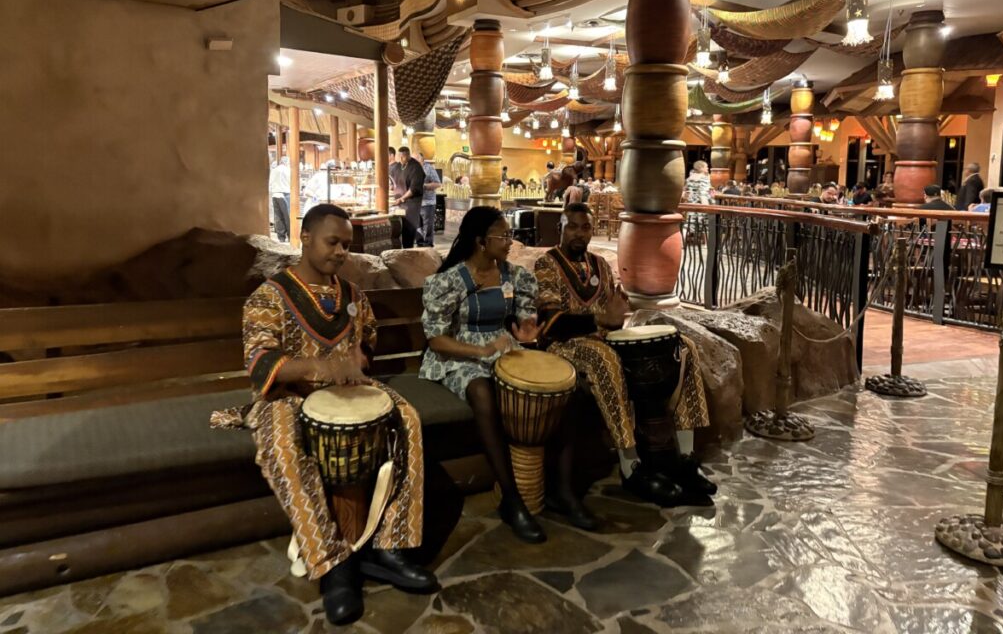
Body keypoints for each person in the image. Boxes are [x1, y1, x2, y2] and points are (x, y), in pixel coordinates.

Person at [212, 204, 435, 625]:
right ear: (307, 238)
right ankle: (332, 564)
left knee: (406, 417)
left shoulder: (353, 296)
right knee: (280, 441)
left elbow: (367, 342)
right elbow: (261, 364)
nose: (340, 252)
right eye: (332, 242)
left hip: (347, 393)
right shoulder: (268, 297)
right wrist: (322, 367)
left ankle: (391, 547)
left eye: (347, 245)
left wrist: (359, 359)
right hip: (286, 396)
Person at [535, 204, 715, 508]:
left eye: (586, 227)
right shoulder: (546, 265)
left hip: (603, 341)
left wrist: (616, 316)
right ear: (560, 229)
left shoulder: (601, 266)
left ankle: (683, 458)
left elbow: (614, 321)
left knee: (682, 346)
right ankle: (631, 466)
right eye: (573, 226)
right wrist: (600, 320)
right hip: (564, 346)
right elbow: (551, 322)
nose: (580, 233)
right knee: (605, 359)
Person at [420, 207, 577, 544]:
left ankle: (563, 490)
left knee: (554, 391)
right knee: (481, 390)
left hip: (500, 351)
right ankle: (512, 498)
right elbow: (436, 339)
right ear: (480, 241)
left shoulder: (513, 276)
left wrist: (525, 332)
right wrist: (479, 352)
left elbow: (523, 325)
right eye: (503, 236)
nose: (510, 241)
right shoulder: (449, 281)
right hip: (457, 356)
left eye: (509, 235)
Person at [395, 146, 425, 249]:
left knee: (409, 231)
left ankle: (408, 252)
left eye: (401, 157)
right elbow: (394, 181)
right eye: (398, 157)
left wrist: (402, 198)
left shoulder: (416, 167)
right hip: (399, 203)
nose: (399, 159)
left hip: (412, 204)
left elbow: (414, 189)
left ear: (407, 155)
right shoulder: (398, 166)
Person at [414, 151, 441, 247]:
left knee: (427, 225)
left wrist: (424, 186)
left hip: (428, 202)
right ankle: (419, 242)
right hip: (415, 203)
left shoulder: (429, 168)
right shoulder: (412, 169)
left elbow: (438, 183)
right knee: (417, 225)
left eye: (417, 158)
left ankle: (428, 243)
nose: (415, 161)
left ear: (422, 159)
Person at [269, 156, 291, 243]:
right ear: (287, 162)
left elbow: (270, 183)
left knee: (278, 216)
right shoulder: (288, 170)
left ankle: (281, 238)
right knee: (288, 216)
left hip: (275, 194)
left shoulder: (274, 170)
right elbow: (292, 182)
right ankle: (290, 236)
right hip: (286, 194)